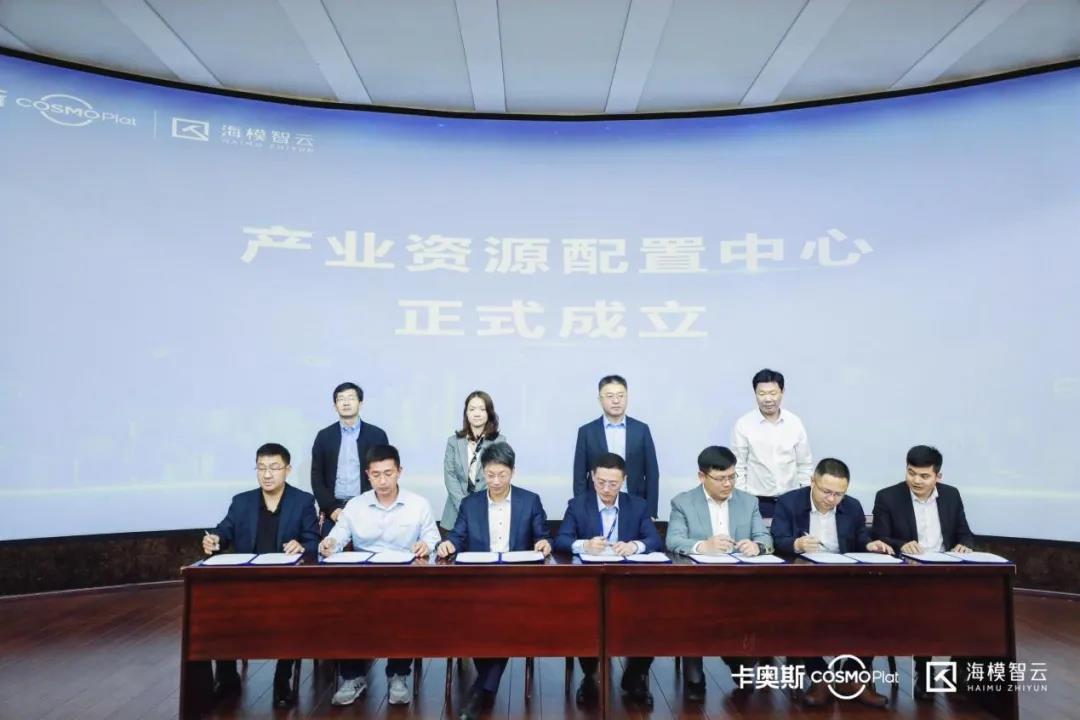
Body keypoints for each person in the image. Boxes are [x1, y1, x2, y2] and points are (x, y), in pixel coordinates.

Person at [436, 443, 552, 720]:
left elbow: (543, 536)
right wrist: (447, 544)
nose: (496, 481)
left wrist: (544, 542)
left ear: (513, 472)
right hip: (479, 585)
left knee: (506, 622)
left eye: (502, 475)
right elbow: (457, 536)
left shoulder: (530, 501)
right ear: (483, 473)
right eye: (490, 475)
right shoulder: (471, 503)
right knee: (480, 622)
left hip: (518, 586)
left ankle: (480, 692)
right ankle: (485, 688)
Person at [318, 444, 440, 706]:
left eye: (388, 473)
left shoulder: (418, 504)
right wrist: (329, 544)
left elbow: (433, 538)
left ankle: (398, 675)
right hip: (364, 580)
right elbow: (338, 536)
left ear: (399, 472)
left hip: (403, 581)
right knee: (343, 609)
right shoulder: (355, 505)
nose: (383, 481)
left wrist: (426, 545)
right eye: (376, 475)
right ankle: (353, 677)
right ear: (367, 475)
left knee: (406, 609)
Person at [202, 443, 319, 709]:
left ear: (287, 470)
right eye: (261, 468)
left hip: (286, 585)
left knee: (292, 613)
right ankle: (227, 678)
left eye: (274, 468)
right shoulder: (241, 501)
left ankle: (282, 679)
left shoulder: (302, 501)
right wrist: (214, 540)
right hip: (247, 584)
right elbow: (223, 531)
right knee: (217, 610)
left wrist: (301, 546)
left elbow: (314, 541)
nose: (267, 474)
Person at [771, 458, 894, 708]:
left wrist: (871, 545)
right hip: (803, 580)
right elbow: (777, 538)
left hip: (845, 581)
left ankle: (851, 676)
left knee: (878, 609)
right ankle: (821, 677)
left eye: (839, 494)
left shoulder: (852, 506)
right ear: (812, 482)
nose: (832, 499)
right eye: (826, 492)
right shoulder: (789, 502)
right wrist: (796, 544)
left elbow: (861, 539)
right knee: (798, 612)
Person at [666, 445, 773, 702]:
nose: (728, 484)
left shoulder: (748, 501)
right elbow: (673, 540)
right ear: (702, 476)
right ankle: (695, 672)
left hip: (740, 584)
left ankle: (738, 659)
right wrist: (703, 546)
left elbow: (764, 537)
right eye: (721, 478)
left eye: (732, 477)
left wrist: (756, 546)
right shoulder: (683, 502)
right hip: (698, 584)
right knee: (692, 610)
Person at [555, 452, 662, 708]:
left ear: (623, 481)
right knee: (583, 620)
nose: (606, 489)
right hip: (590, 587)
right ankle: (590, 677)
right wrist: (584, 545)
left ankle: (634, 677)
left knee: (653, 617)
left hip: (630, 586)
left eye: (613, 484)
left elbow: (654, 540)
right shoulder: (577, 505)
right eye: (601, 482)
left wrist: (635, 546)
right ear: (592, 477)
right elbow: (561, 540)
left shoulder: (637, 505)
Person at [872, 444, 974, 700]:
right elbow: (879, 536)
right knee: (926, 603)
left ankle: (961, 670)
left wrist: (965, 545)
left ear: (938, 476)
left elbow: (965, 533)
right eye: (911, 473)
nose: (916, 480)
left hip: (946, 571)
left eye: (924, 476)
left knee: (978, 603)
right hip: (907, 575)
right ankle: (923, 668)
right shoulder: (888, 497)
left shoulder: (951, 495)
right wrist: (900, 545)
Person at [573, 374, 660, 517]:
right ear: (600, 399)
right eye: (610, 396)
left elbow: (652, 474)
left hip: (634, 503)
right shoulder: (587, 432)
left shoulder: (641, 430)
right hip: (596, 504)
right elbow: (579, 477)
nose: (616, 401)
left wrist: (650, 512)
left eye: (621, 395)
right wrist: (581, 511)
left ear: (627, 397)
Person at [731, 368, 813, 519]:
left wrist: (805, 498)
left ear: (782, 392)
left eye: (773, 393)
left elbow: (804, 465)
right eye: (761, 394)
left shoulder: (794, 423)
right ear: (755, 393)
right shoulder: (744, 424)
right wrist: (744, 502)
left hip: (792, 500)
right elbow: (738, 467)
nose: (767, 399)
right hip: (757, 502)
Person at [311, 381, 389, 536]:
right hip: (334, 509)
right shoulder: (324, 436)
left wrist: (369, 505)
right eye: (341, 399)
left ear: (360, 403)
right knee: (330, 548)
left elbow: (384, 474)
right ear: (335, 406)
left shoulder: (377, 435)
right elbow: (317, 476)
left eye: (351, 398)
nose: (346, 403)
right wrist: (332, 509)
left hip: (369, 507)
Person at [441, 390, 508, 530]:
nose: (477, 413)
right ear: (466, 413)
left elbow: (498, 476)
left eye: (482, 409)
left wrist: (478, 507)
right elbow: (450, 476)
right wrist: (465, 507)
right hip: (455, 513)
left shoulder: (500, 441)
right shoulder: (453, 442)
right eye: (472, 409)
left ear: (489, 413)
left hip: (487, 512)